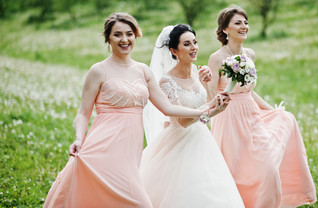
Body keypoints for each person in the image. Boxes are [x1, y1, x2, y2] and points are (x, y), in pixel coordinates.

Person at [43, 13, 212, 208]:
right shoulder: (98, 70)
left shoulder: (143, 71)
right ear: (108, 39)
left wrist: (203, 111)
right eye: (117, 35)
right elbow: (83, 113)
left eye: (129, 34)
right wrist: (79, 139)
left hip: (130, 152)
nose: (124, 39)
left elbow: (167, 107)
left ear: (136, 36)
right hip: (102, 146)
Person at [207, 7, 317, 208]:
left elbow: (248, 91)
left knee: (267, 168)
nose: (244, 27)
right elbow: (210, 95)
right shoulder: (217, 58)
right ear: (224, 29)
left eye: (246, 22)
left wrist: (273, 111)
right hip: (228, 118)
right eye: (238, 23)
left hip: (252, 115)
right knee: (236, 171)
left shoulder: (250, 54)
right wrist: (211, 97)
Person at [140, 24, 245, 208]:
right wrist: (213, 112)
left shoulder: (198, 72)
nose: (194, 47)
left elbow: (208, 101)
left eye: (195, 42)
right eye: (187, 44)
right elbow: (183, 121)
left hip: (202, 138)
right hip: (179, 141)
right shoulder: (167, 81)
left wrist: (207, 86)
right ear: (174, 50)